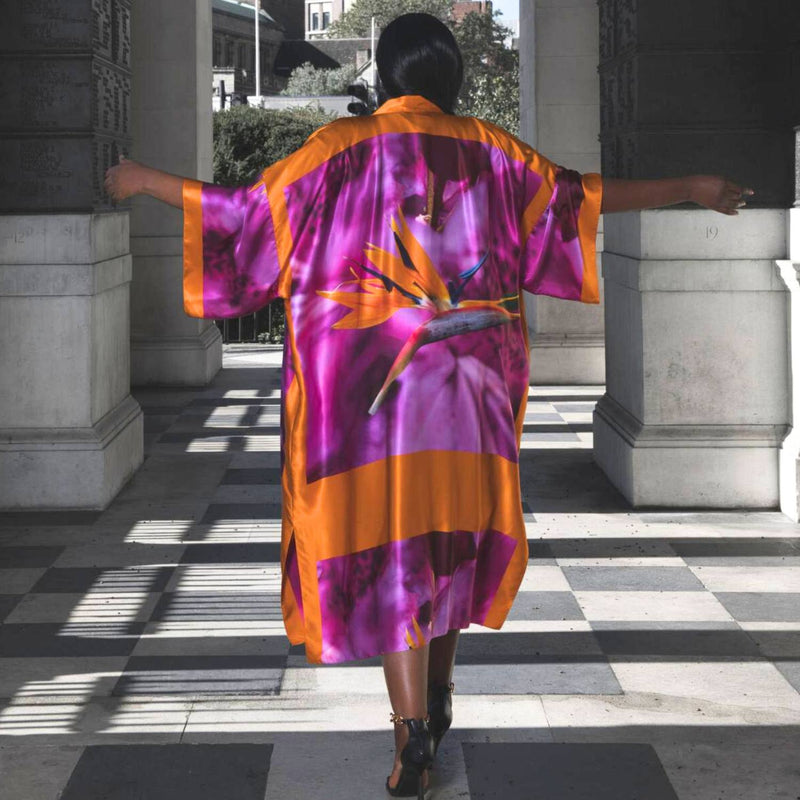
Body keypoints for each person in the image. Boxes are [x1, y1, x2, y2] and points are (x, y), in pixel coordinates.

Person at [105, 12, 753, 798]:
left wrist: (144, 182)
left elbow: (246, 216)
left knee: (392, 558)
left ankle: (412, 734)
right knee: (446, 546)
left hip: (369, 411)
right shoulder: (491, 149)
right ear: (452, 77)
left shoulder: (338, 151)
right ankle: (439, 700)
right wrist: (689, 187)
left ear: (383, 74)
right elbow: (579, 199)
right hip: (469, 402)